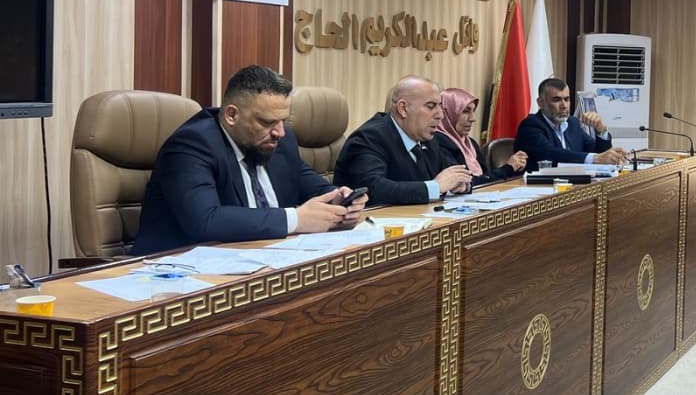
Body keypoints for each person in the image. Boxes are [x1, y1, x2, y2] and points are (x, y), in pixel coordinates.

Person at [134, 65, 367, 255]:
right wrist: (296, 219)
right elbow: (206, 220)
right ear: (232, 115)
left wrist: (340, 200)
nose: (279, 132)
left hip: (262, 258)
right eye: (267, 122)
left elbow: (308, 183)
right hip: (174, 270)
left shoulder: (280, 140)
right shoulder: (192, 145)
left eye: (283, 121)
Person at [334, 76, 471, 205]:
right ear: (403, 108)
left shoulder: (427, 137)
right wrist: (436, 187)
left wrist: (460, 183)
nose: (440, 115)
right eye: (431, 106)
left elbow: (452, 172)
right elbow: (372, 188)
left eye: (440, 106)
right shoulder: (369, 138)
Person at [514, 77, 627, 171]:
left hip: (572, 183)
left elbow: (597, 152)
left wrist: (601, 131)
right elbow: (551, 154)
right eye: (557, 100)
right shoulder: (530, 126)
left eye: (567, 99)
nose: (564, 105)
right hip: (539, 186)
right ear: (541, 103)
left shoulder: (572, 123)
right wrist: (596, 158)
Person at [438, 87, 527, 186]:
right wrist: (508, 168)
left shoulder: (470, 143)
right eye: (465, 111)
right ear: (447, 113)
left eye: (473, 111)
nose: (473, 118)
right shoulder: (439, 143)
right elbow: (466, 183)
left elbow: (486, 178)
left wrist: (516, 167)